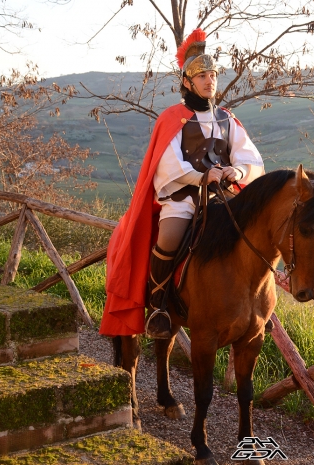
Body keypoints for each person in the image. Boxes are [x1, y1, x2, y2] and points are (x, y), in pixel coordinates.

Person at [100, 28, 264, 339]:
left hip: (223, 199)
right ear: (187, 82)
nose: (209, 80)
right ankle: (159, 305)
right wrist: (203, 175)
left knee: (256, 236)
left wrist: (238, 173)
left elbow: (251, 158)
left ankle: (255, 307)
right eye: (201, 76)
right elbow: (169, 163)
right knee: (170, 238)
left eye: (212, 75)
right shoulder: (173, 118)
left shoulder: (228, 119)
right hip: (183, 198)